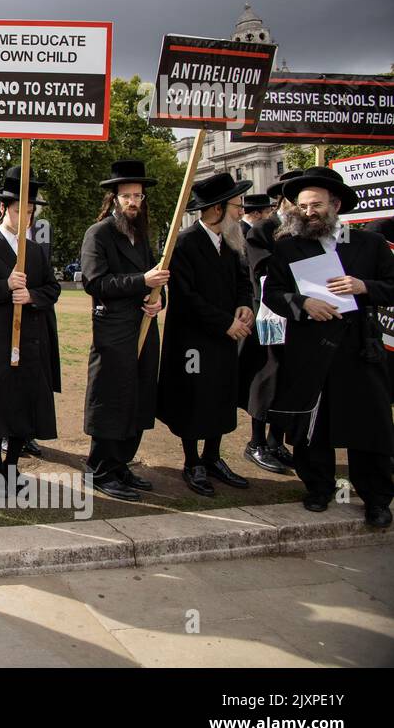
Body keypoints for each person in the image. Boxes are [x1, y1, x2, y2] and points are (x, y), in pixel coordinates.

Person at [263, 167, 394, 527]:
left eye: (316, 205)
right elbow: (272, 293)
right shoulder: (287, 246)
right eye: (303, 206)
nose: (309, 212)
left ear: (335, 205)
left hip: (359, 348)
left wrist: (362, 286)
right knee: (313, 426)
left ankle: (377, 499)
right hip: (310, 348)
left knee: (369, 426)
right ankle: (318, 488)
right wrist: (302, 304)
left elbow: (391, 285)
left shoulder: (370, 244)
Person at [0, 167, 61, 498]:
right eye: (21, 210)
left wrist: (32, 296)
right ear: (4, 208)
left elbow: (52, 288)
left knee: (24, 399)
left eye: (31, 212)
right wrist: (5, 286)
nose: (26, 217)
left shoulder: (34, 251)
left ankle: (12, 464)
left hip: (32, 336)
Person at [157, 171, 254, 496]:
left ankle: (213, 457)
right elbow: (186, 297)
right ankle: (192, 461)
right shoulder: (185, 242)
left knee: (221, 395)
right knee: (194, 398)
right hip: (193, 340)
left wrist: (244, 306)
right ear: (216, 209)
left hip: (226, 336)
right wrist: (225, 323)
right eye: (236, 206)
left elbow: (243, 280)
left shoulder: (232, 239)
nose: (241, 211)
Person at [80, 160, 168, 500]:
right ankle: (100, 469)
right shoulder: (98, 233)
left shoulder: (143, 235)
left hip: (144, 324)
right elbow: (95, 282)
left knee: (139, 396)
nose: (133, 202)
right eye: (127, 196)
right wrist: (141, 282)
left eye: (138, 196)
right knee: (112, 397)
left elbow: (157, 279)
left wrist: (157, 299)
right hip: (113, 330)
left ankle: (121, 463)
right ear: (113, 199)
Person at [239, 170, 304, 474]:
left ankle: (276, 440)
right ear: (286, 201)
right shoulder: (263, 230)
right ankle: (256, 443)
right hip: (270, 315)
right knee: (267, 377)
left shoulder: (308, 230)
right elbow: (261, 272)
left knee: (291, 377)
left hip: (301, 315)